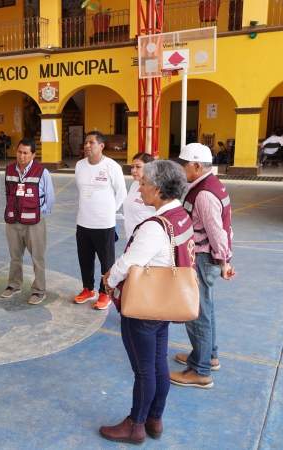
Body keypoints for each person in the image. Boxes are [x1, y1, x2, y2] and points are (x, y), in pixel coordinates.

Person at [99, 160, 194, 444]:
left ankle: (135, 424)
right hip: (163, 303)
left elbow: (130, 262)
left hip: (144, 307)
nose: (139, 186)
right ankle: (155, 418)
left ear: (158, 188)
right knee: (157, 365)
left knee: (144, 370)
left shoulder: (155, 227)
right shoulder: (181, 216)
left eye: (143, 183)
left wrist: (109, 279)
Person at [171, 143, 235, 389]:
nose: (181, 169)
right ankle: (208, 355)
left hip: (202, 258)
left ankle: (200, 370)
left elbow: (217, 232)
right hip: (207, 258)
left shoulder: (205, 194)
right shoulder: (207, 185)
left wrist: (224, 261)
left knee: (197, 314)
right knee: (206, 310)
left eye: (184, 165)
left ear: (197, 166)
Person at [73, 131, 127, 310]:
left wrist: (109, 212)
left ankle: (105, 293)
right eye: (85, 142)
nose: (87, 145)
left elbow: (121, 193)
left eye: (91, 142)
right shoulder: (79, 165)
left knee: (107, 262)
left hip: (104, 224)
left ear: (101, 146)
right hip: (83, 222)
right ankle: (87, 289)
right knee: (85, 259)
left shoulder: (112, 167)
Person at [0, 138, 55, 304]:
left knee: (37, 257)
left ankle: (39, 290)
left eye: (25, 153)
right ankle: (14, 285)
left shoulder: (42, 172)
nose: (21, 156)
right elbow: (8, 192)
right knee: (15, 256)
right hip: (13, 221)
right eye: (19, 152)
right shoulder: (9, 170)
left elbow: (50, 197)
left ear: (33, 155)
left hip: (34, 223)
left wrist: (39, 211)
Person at [122, 153, 156, 241]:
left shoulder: (156, 189)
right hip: (131, 239)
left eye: (138, 167)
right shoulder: (134, 184)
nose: (133, 170)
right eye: (132, 167)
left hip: (147, 240)